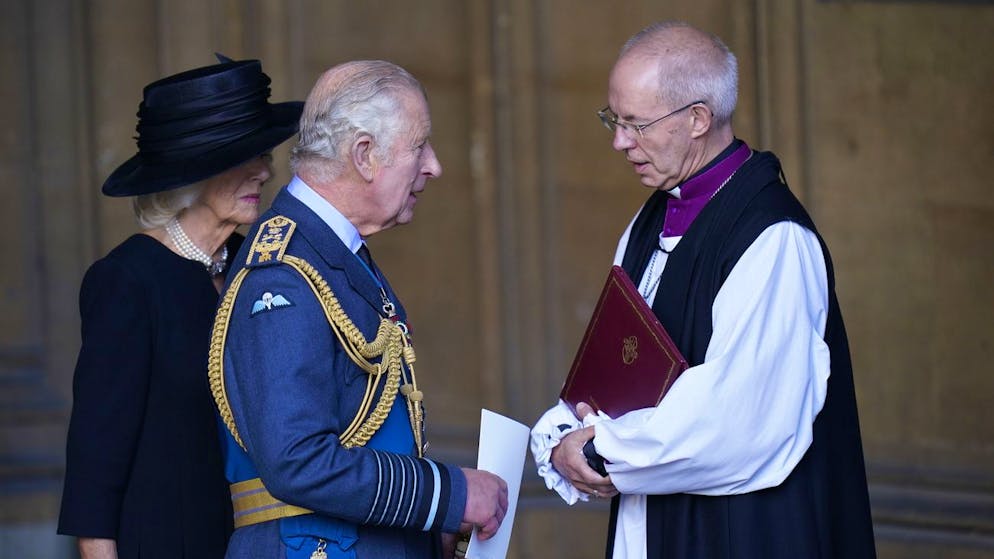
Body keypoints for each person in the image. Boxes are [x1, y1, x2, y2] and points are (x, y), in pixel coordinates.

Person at [530, 21, 876, 558]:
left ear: (697, 119)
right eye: (613, 120)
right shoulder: (650, 221)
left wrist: (601, 450)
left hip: (744, 532)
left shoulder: (773, 238)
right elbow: (616, 367)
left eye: (636, 124)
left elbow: (739, 419)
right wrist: (561, 434)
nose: (620, 142)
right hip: (655, 520)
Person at [209, 59, 508, 559]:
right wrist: (448, 495)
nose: (434, 165)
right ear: (365, 155)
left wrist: (427, 521)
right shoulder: (284, 273)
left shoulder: (329, 254)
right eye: (419, 146)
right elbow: (297, 462)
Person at [57, 56, 303, 559]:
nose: (265, 170)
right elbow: (96, 459)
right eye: (245, 156)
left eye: (264, 153)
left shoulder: (256, 265)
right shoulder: (127, 281)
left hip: (258, 539)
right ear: (191, 173)